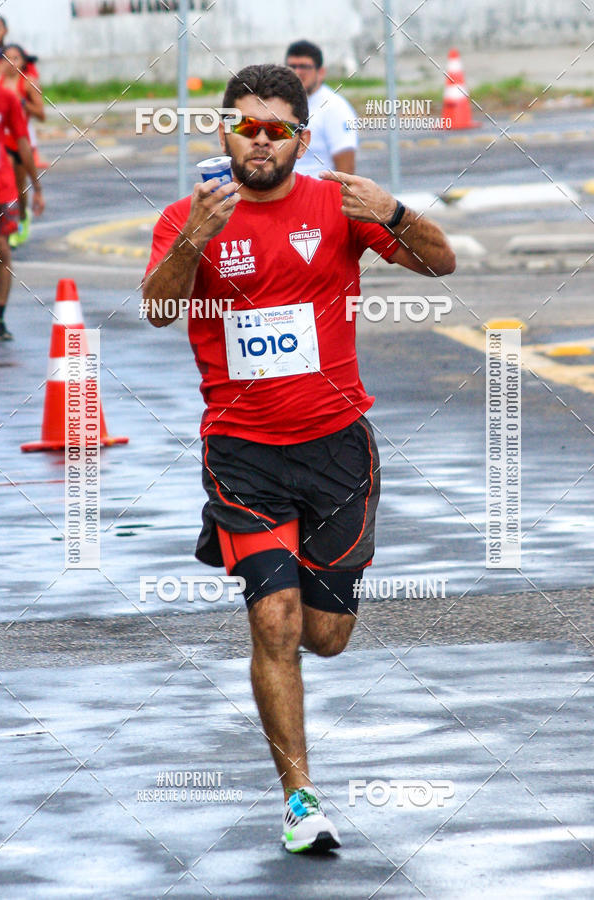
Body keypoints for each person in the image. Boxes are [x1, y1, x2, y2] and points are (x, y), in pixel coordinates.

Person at [143, 63, 454, 853]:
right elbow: (157, 309)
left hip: (337, 448)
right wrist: (193, 240)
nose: (259, 140)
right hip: (242, 453)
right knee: (273, 618)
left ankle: (318, 617)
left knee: (325, 635)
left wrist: (395, 211)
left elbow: (441, 263)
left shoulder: (337, 205)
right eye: (244, 125)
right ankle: (300, 800)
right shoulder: (187, 216)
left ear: (301, 138)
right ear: (223, 132)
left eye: (276, 128)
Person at [0, 80, 44, 339]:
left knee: (2, 249)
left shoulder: (7, 98)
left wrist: (37, 187)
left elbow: (23, 142)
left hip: (1, 187)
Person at [0, 44, 45, 247]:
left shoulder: (28, 83)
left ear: (23, 61)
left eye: (16, 58)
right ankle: (6, 224)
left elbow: (41, 114)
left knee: (19, 186)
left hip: (21, 139)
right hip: (2, 142)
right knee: (5, 181)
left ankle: (23, 216)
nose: (11, 63)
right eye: (7, 58)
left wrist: (22, 103)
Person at [285, 39, 357, 177]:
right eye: (292, 66)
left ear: (321, 72)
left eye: (304, 67)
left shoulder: (335, 108)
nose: (297, 72)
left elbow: (346, 171)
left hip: (318, 188)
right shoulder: (281, 104)